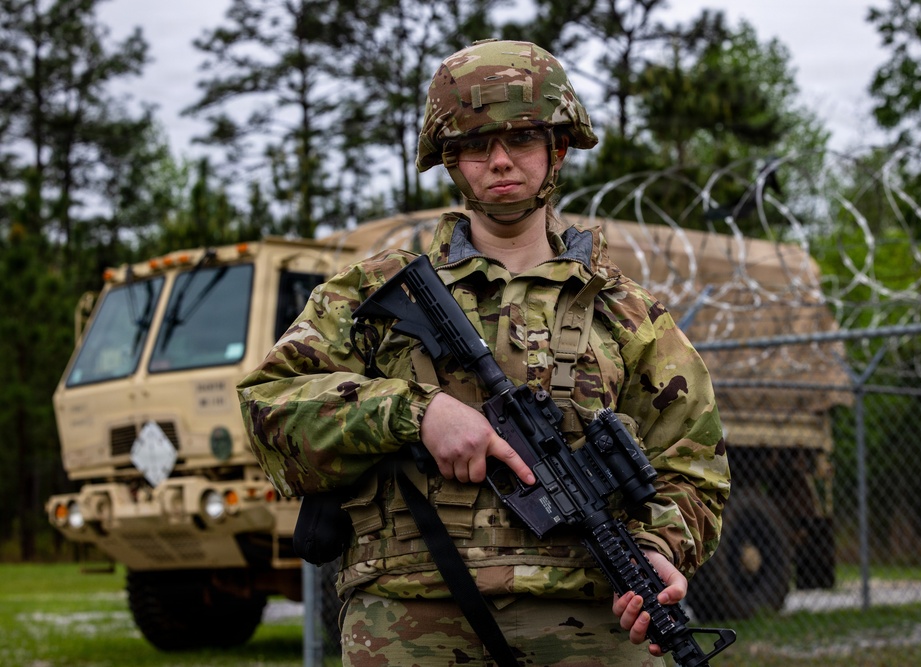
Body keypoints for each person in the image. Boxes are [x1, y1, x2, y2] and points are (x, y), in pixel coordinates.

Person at [238, 39, 730, 667]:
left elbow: (694, 461)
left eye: (521, 139)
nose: (499, 162)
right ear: (450, 161)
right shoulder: (373, 292)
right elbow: (268, 407)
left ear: (557, 149)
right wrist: (414, 412)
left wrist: (661, 545)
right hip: (409, 620)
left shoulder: (629, 313)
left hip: (591, 626)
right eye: (475, 145)